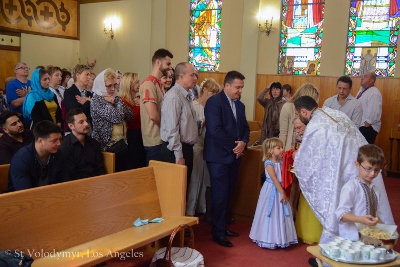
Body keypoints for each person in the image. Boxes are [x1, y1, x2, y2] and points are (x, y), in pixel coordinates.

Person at [293, 96, 394, 245]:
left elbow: (309, 160)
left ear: (304, 111)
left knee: (342, 207)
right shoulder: (335, 113)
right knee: (363, 206)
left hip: (343, 173)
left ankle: (337, 251)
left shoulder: (315, 125)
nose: (298, 118)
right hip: (362, 166)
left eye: (297, 114)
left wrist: (297, 158)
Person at [204, 70, 250, 247]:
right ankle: (217, 233)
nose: (240, 91)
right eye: (237, 87)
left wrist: (244, 143)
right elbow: (215, 130)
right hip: (218, 156)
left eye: (242, 88)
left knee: (228, 193)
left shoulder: (240, 106)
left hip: (234, 156)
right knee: (219, 195)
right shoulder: (214, 103)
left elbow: (245, 129)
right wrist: (235, 146)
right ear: (227, 85)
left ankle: (222, 227)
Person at [249, 137, 298, 249]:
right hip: (271, 189)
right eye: (278, 148)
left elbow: (289, 171)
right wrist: (282, 193)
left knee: (280, 214)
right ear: (270, 150)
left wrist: (292, 160)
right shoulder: (269, 163)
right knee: (270, 213)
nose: (281, 150)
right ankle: (268, 238)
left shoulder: (282, 161)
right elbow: (275, 179)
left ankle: (281, 237)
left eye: (282, 147)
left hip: (280, 189)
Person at [335, 144, 388, 241]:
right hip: (351, 238)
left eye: (376, 170)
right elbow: (341, 215)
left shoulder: (375, 189)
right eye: (368, 169)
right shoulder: (351, 187)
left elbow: (375, 215)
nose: (372, 173)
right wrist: (361, 219)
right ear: (357, 165)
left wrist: (386, 229)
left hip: (368, 238)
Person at [186, 78, 220, 218]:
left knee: (205, 179)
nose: (215, 97)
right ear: (205, 91)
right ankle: (189, 211)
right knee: (195, 179)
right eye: (213, 93)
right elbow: (191, 127)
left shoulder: (212, 107)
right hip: (196, 145)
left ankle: (202, 207)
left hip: (209, 146)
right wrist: (203, 121)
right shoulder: (194, 106)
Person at [160, 62, 198, 183]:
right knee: (175, 192)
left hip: (185, 148)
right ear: (181, 77)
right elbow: (172, 129)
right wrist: (179, 155)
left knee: (183, 191)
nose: (195, 78)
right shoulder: (174, 97)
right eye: (192, 75)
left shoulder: (186, 95)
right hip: (175, 150)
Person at [91, 69, 134, 172]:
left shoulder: (114, 98)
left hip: (121, 145)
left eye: (115, 85)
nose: (113, 89)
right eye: (109, 86)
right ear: (101, 85)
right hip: (106, 148)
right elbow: (117, 117)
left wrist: (115, 101)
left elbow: (131, 115)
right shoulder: (97, 100)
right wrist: (118, 100)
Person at [7, 120, 69, 192]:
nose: (59, 143)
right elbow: (24, 193)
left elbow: (65, 182)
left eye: (60, 139)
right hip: (21, 199)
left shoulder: (58, 154)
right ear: (40, 141)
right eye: (54, 141)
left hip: (53, 195)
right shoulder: (21, 159)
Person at [139, 48, 173, 164]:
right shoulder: (149, 84)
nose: (169, 67)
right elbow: (153, 115)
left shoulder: (157, 83)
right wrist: (167, 128)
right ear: (158, 62)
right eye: (167, 64)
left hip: (160, 138)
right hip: (154, 140)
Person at [59, 108, 105, 180]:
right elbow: (70, 175)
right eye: (81, 122)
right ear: (71, 126)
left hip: (96, 183)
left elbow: (100, 169)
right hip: (76, 185)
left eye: (86, 121)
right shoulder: (65, 147)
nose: (86, 124)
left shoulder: (94, 143)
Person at [279, 83, 320, 151]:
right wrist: (281, 152)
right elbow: (283, 133)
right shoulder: (288, 107)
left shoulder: (314, 111)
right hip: (290, 149)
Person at [119, 72, 146, 169]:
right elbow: (132, 118)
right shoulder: (123, 101)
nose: (139, 84)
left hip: (140, 134)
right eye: (136, 82)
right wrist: (142, 106)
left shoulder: (138, 99)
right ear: (129, 84)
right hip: (131, 135)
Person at [64, 64, 92, 134]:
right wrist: (88, 102)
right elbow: (75, 113)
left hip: (89, 128)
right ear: (78, 75)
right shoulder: (69, 92)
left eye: (89, 75)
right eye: (86, 74)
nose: (89, 77)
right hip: (75, 130)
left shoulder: (89, 93)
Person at [355, 71, 382, 144]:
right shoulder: (362, 90)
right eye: (362, 76)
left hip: (367, 128)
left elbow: (374, 111)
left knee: (365, 152)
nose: (362, 78)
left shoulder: (374, 93)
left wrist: (367, 124)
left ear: (371, 80)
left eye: (365, 76)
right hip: (360, 125)